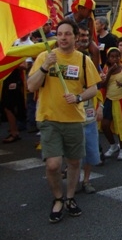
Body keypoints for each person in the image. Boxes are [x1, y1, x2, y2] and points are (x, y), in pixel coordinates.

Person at [27, 18, 101, 223]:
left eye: (67, 34)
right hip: (48, 118)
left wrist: (78, 98)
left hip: (74, 119)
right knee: (53, 164)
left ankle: (70, 198)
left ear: (76, 37)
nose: (63, 38)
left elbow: (94, 88)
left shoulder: (84, 60)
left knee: (74, 161)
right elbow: (31, 87)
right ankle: (57, 199)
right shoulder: (44, 56)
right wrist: (44, 67)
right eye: (59, 34)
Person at [75, 25, 103, 194]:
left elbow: (97, 85)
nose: (84, 38)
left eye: (87, 35)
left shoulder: (89, 59)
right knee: (73, 150)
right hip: (69, 113)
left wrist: (101, 105)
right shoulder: (60, 59)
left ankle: (86, 180)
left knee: (89, 148)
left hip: (89, 111)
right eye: (81, 35)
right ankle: (74, 178)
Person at [101, 47, 122, 161]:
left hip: (121, 100)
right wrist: (109, 72)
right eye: (112, 57)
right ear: (108, 58)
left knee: (121, 126)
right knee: (105, 125)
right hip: (109, 99)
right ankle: (113, 145)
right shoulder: (106, 69)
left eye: (117, 56)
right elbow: (103, 84)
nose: (114, 59)